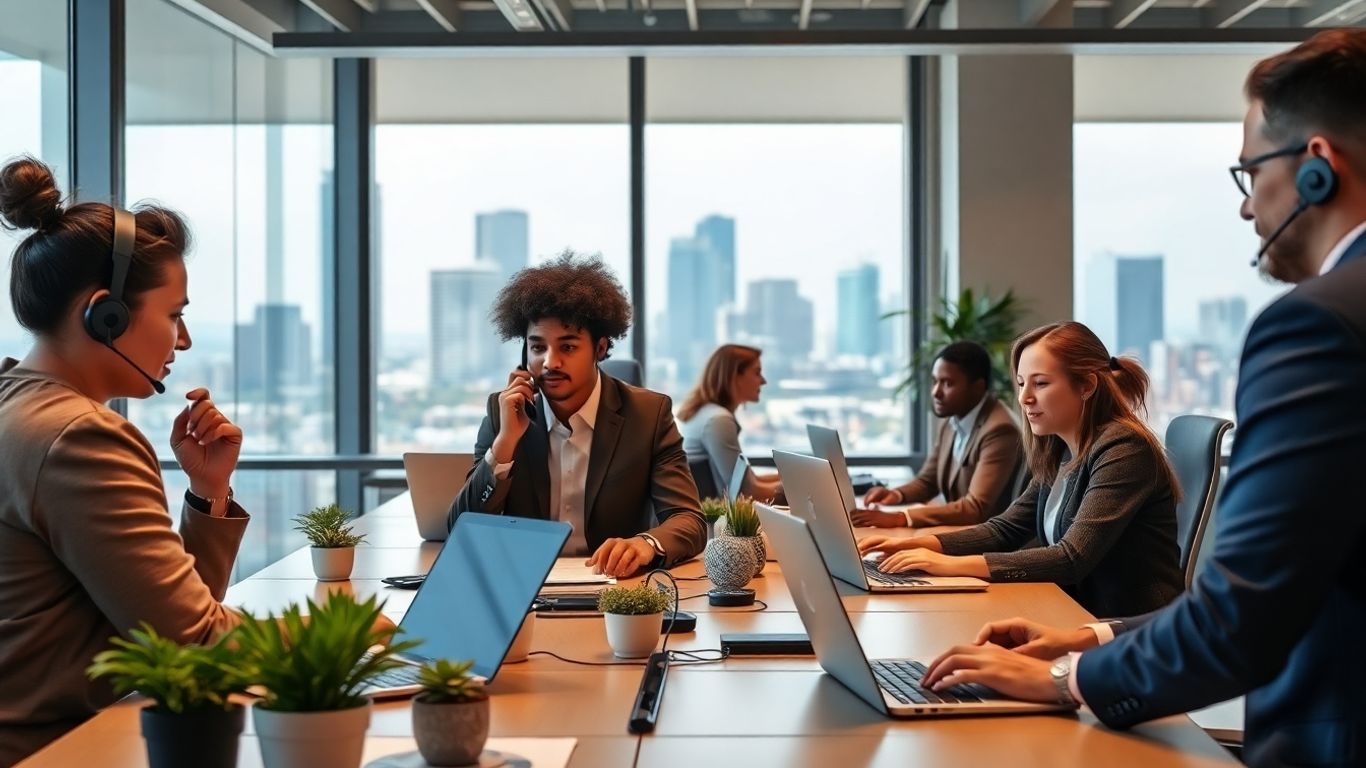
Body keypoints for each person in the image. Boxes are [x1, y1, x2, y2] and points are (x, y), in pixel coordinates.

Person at [917, 30, 1366, 768]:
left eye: (1250, 172)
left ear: (1316, 169)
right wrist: (1084, 639)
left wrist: (1068, 679)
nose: (1249, 208)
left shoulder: (1317, 324)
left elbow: (1244, 615)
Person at [0, 157, 248, 763]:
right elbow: (194, 645)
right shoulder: (80, 437)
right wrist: (357, 630)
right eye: (175, 314)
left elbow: (159, 627)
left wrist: (207, 493)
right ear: (104, 314)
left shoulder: (15, 405)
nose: (183, 341)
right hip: (58, 751)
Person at [858, 321, 1183, 618]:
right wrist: (918, 544)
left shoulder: (1123, 449)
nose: (1025, 398)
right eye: (1021, 383)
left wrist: (950, 565)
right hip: (1074, 614)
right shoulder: (1059, 448)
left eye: (1040, 384)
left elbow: (1071, 558)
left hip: (1132, 634)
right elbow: (1005, 529)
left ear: (1086, 386)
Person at [449, 253, 707, 577]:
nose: (550, 362)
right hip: (526, 585)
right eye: (538, 347)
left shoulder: (648, 415)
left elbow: (689, 520)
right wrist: (505, 443)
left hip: (613, 588)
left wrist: (646, 543)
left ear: (599, 349)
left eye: (567, 347)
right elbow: (460, 527)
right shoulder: (504, 411)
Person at [856, 341, 1023, 527]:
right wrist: (895, 495)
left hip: (990, 544)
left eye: (948, 383)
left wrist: (902, 517)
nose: (936, 392)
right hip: (960, 532)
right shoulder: (952, 420)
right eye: (935, 381)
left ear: (978, 387)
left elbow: (975, 508)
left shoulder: (999, 430)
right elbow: (928, 481)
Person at [678, 344, 783, 503]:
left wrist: (793, 477)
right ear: (734, 376)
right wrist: (803, 489)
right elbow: (746, 493)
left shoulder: (707, 413)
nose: (763, 381)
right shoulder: (718, 421)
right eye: (757, 372)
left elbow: (749, 481)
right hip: (719, 521)